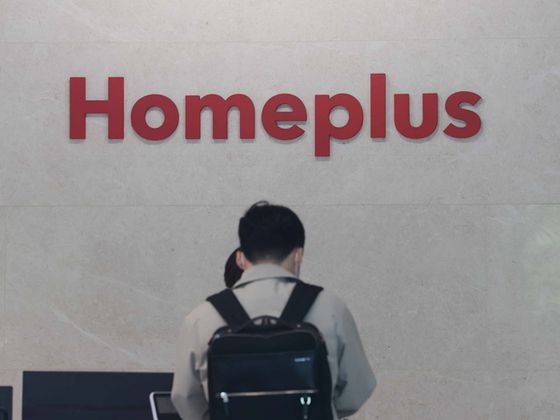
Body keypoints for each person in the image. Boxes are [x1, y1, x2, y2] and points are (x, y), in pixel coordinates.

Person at [171, 201, 376, 420]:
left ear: (241, 256)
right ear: (298, 254)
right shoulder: (330, 308)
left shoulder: (203, 317)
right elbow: (356, 392)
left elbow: (184, 398)